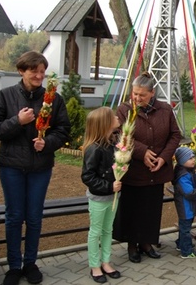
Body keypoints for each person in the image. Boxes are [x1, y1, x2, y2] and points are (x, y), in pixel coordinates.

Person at [0, 51, 70, 285]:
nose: (39, 75)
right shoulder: (5, 96)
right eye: (34, 71)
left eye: (42, 71)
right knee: (14, 217)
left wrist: (46, 143)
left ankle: (30, 263)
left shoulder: (53, 99)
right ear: (21, 71)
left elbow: (63, 130)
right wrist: (17, 121)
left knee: (35, 217)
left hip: (40, 167)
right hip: (12, 166)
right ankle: (14, 266)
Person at [113, 72, 182, 263]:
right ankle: (132, 244)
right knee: (133, 208)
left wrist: (163, 157)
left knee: (151, 209)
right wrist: (142, 152)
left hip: (156, 170)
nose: (137, 98)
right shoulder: (124, 110)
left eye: (142, 95)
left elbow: (175, 135)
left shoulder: (165, 110)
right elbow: (120, 135)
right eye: (135, 94)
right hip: (134, 170)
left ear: (152, 93)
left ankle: (147, 242)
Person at [81, 107, 122, 283]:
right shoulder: (94, 149)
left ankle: (105, 261)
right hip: (99, 197)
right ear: (105, 123)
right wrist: (108, 186)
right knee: (96, 231)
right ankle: (94, 265)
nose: (116, 117)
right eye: (112, 116)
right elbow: (87, 176)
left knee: (108, 230)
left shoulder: (112, 144)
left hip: (113, 196)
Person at [173, 147, 196, 259]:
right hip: (185, 206)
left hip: (188, 207)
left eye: (193, 157)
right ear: (182, 161)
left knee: (185, 226)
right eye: (189, 158)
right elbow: (189, 192)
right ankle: (186, 251)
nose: (193, 160)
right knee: (185, 229)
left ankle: (180, 243)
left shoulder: (189, 170)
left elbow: (195, 180)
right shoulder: (183, 175)